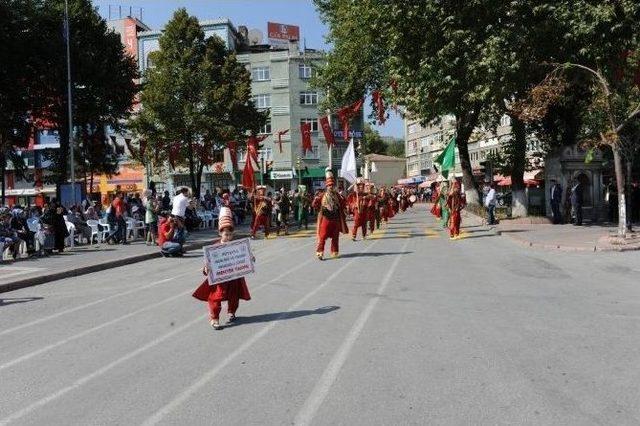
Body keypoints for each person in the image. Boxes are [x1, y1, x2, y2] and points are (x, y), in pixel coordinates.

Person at [192, 207, 252, 330]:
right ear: (220, 233)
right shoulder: (214, 248)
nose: (228, 236)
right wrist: (206, 268)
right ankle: (214, 318)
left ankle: (232, 312)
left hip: (234, 277)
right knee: (215, 297)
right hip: (220, 279)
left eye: (230, 234)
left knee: (234, 296)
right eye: (226, 234)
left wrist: (250, 259)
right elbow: (208, 264)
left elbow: (244, 257)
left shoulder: (237, 246)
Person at [312, 170, 348, 260]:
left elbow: (343, 204)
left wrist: (343, 198)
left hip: (335, 219)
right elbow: (314, 205)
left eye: (332, 185)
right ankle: (320, 252)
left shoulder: (337, 195)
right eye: (329, 185)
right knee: (322, 236)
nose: (331, 187)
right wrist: (315, 200)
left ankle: (334, 251)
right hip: (326, 218)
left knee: (335, 237)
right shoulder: (322, 195)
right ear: (326, 186)